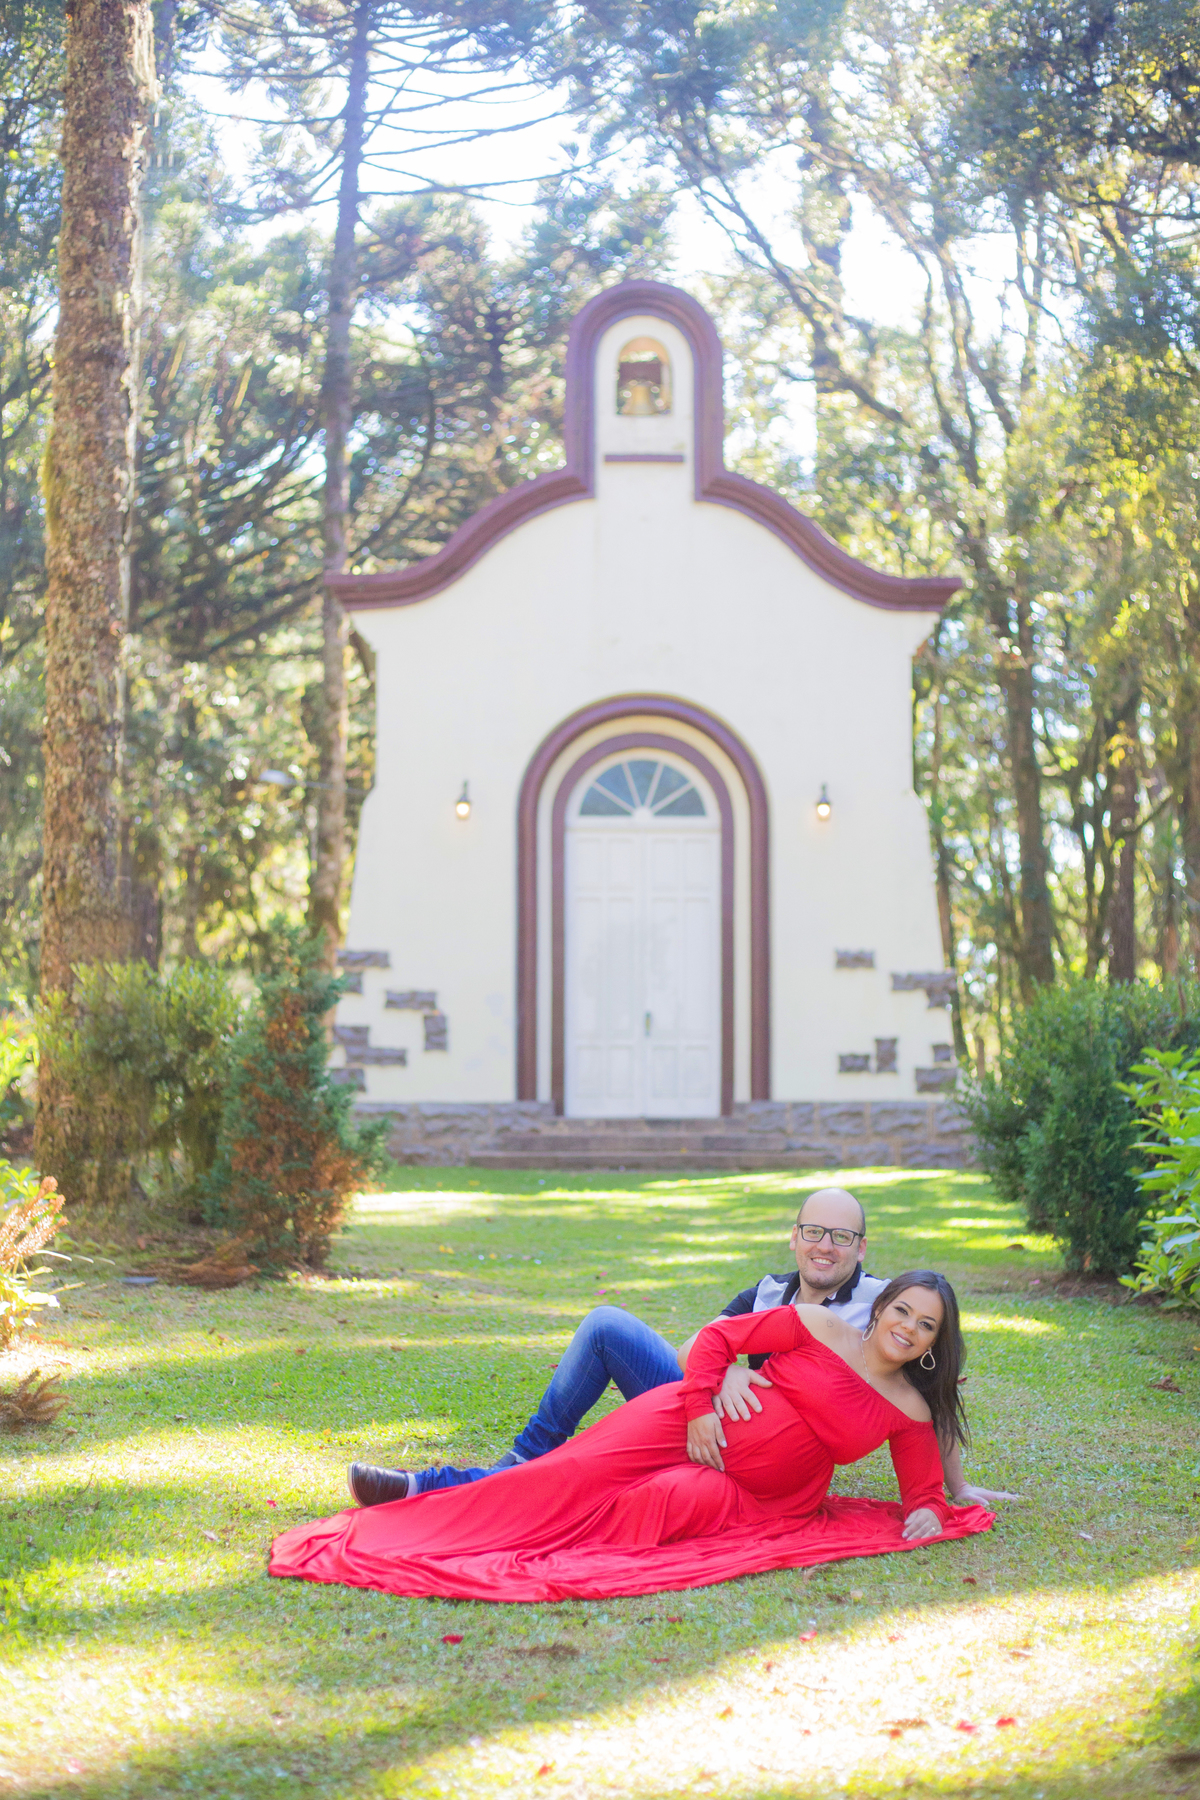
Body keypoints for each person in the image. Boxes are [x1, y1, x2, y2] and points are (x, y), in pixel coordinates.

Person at [269, 1272, 995, 1603]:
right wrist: (704, 1408)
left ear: (936, 1342)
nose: (908, 1326)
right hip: (685, 1422)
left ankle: (444, 1497)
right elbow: (716, 1339)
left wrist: (931, 1510)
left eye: (926, 1324)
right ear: (882, 1308)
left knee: (637, 1512)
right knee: (567, 1474)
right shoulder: (818, 1325)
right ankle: (422, 1493)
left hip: (750, 1497)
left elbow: (921, 1493)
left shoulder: (908, 1408)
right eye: (903, 1309)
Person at [347, 1187, 1016, 1509]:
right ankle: (521, 1458)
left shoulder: (884, 1306)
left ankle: (479, 1482)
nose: (825, 1247)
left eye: (840, 1238)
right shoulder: (769, 1291)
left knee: (600, 1488)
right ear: (794, 1238)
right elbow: (702, 1341)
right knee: (607, 1326)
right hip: (709, 1403)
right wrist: (718, 1379)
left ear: (862, 1248)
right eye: (813, 1232)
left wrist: (952, 1487)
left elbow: (932, 1389)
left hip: (759, 1456)